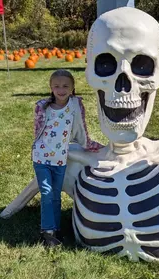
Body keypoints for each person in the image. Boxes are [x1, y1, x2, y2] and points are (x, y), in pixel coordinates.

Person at [32, 69, 103, 247]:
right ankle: (47, 232)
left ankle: (55, 228)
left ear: (72, 88)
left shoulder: (74, 106)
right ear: (51, 88)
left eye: (65, 86)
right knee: (47, 193)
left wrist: (90, 145)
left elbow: (81, 128)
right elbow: (37, 132)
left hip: (60, 159)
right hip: (41, 158)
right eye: (56, 86)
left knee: (55, 196)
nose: (61, 89)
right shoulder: (43, 107)